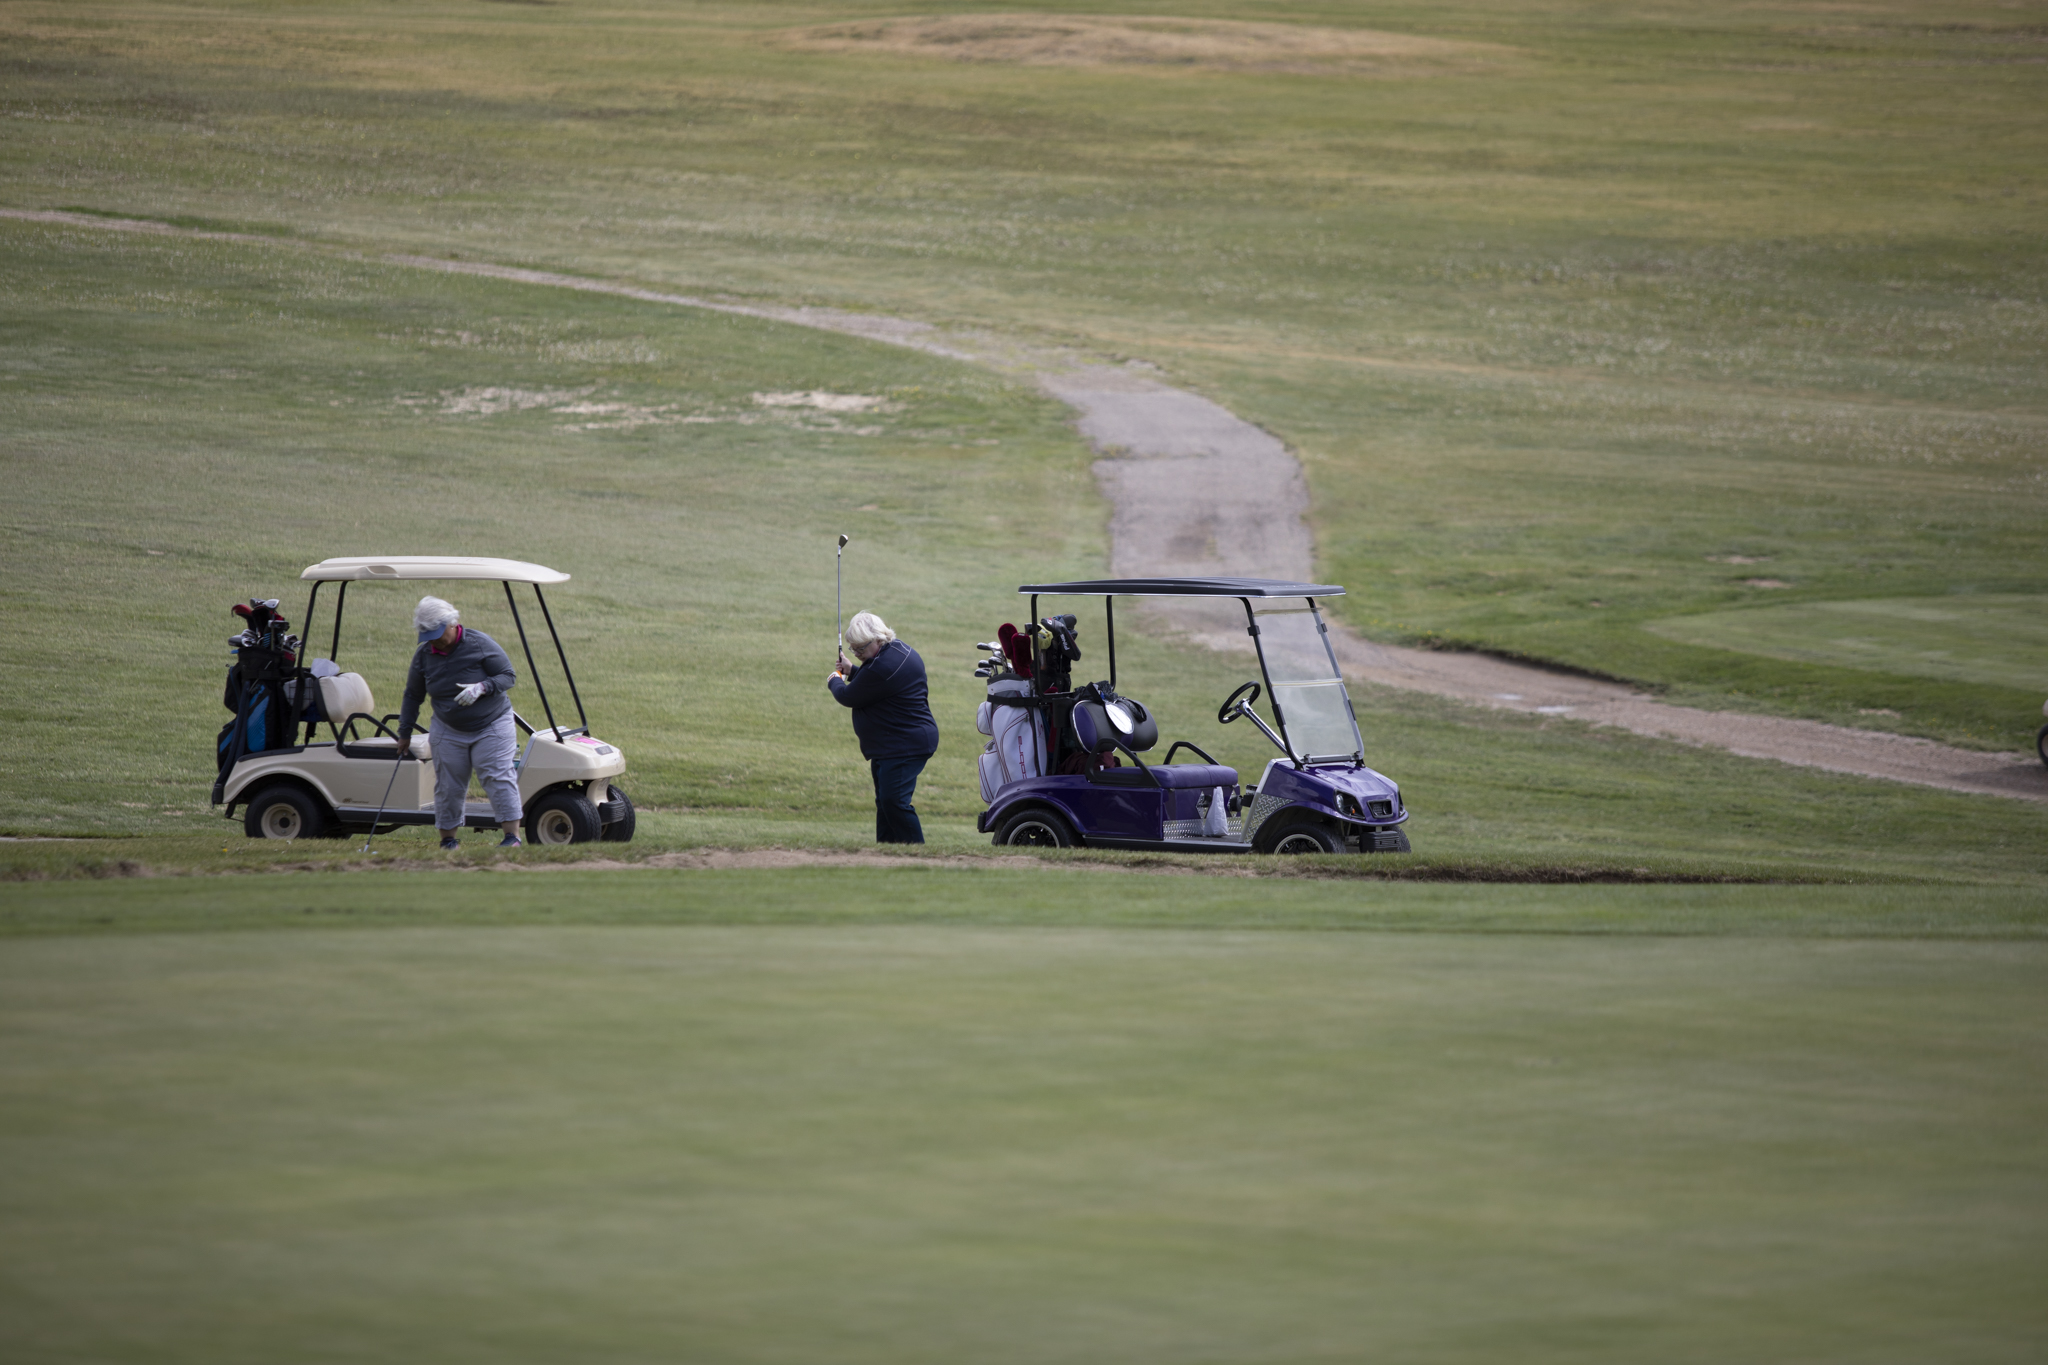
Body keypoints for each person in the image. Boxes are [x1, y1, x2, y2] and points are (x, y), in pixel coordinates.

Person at [395, 596, 523, 850]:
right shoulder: (424, 655)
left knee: (497, 775)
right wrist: (404, 732)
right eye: (427, 635)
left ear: (453, 623)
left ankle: (512, 838)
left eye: (437, 633)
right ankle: (448, 841)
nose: (433, 640)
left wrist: (482, 687)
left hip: (492, 723)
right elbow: (413, 695)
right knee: (448, 785)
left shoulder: (479, 643)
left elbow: (508, 676)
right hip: (448, 728)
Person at [827, 611, 940, 843]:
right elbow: (878, 684)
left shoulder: (882, 667)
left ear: (877, 639)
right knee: (885, 802)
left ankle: (917, 854)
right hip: (893, 742)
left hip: (904, 744)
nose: (857, 654)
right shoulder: (898, 650)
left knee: (894, 802)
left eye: (860, 648)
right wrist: (853, 670)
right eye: (853, 649)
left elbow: (849, 696)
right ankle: (887, 853)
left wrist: (834, 680)